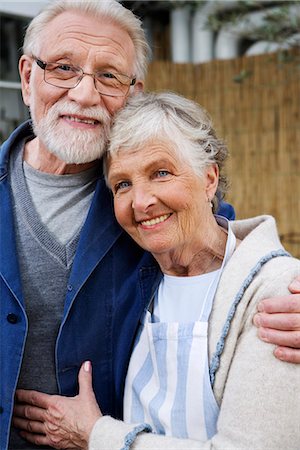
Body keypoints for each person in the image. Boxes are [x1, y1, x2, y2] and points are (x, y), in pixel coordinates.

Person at [1, 1, 300, 449]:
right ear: (27, 77)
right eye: (63, 68)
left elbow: (228, 256)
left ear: (133, 93)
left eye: (108, 75)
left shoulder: (153, 211)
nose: (84, 94)